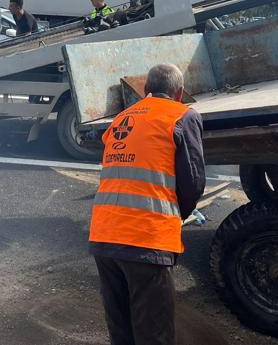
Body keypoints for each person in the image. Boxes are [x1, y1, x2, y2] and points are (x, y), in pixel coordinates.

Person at [89, 63, 206, 345]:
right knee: (154, 334)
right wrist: (176, 215)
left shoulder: (121, 119)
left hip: (104, 237)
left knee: (121, 331)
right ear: (179, 94)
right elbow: (193, 180)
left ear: (145, 90)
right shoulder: (182, 115)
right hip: (146, 240)